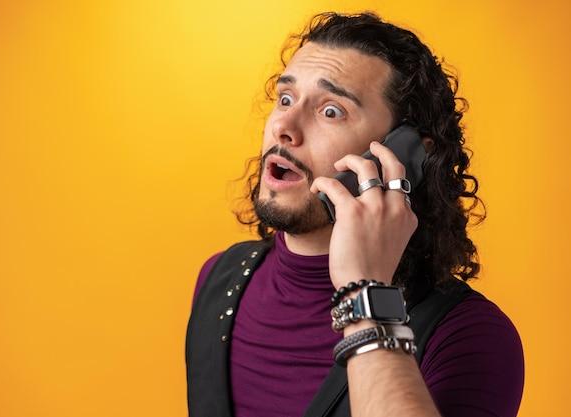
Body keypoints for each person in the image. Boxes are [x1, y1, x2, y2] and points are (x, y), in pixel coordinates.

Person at [185, 11, 524, 417]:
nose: (284, 127)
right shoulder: (217, 279)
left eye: (331, 111)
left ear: (405, 155)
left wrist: (365, 291)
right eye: (285, 99)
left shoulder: (470, 336)